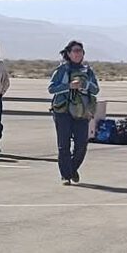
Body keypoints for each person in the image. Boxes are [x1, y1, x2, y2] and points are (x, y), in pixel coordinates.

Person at [48, 40, 99, 183]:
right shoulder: (62, 70)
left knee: (81, 145)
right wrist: (68, 86)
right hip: (62, 110)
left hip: (82, 111)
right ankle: (66, 175)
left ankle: (72, 168)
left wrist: (85, 85)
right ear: (69, 53)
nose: (78, 54)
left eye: (80, 51)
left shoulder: (88, 71)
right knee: (63, 145)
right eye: (75, 51)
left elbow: (96, 90)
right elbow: (51, 88)